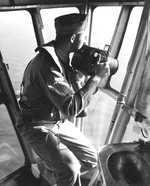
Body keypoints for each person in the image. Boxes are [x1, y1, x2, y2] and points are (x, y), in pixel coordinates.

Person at [16, 13, 110, 186]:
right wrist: (95, 78)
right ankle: (59, 170)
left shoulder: (63, 58)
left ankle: (52, 169)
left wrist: (85, 76)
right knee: (71, 168)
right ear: (73, 37)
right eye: (84, 35)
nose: (87, 39)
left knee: (94, 159)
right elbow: (71, 107)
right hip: (35, 124)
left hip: (56, 120)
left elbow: (72, 95)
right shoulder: (47, 66)